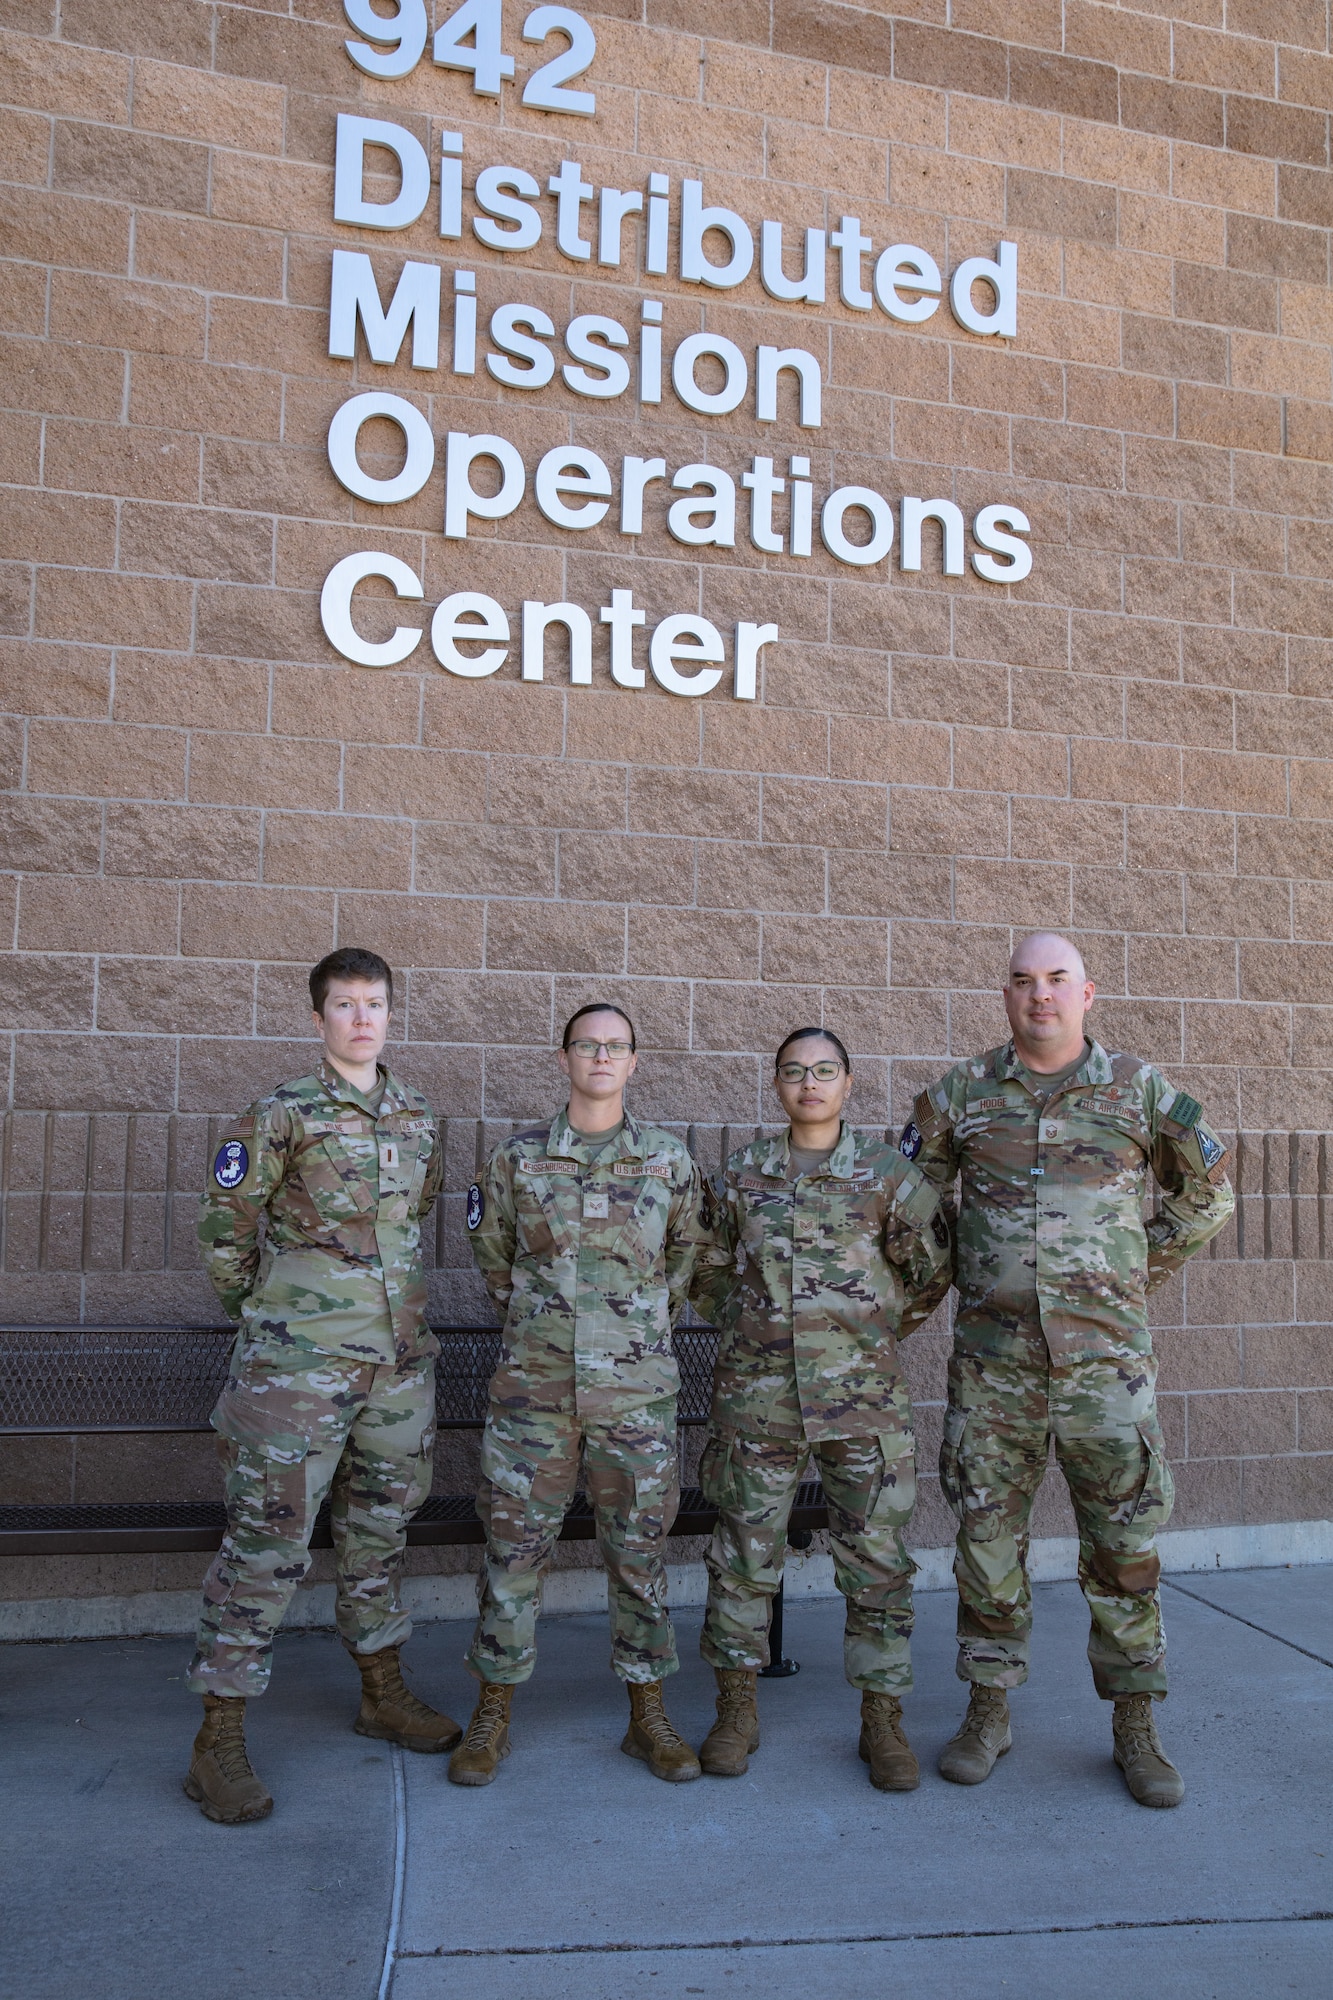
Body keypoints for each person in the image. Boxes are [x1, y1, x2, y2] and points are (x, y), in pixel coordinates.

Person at [906, 931, 1234, 1807]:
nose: (1038, 996)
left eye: (1056, 981)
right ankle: (987, 1711)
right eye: (1021, 982)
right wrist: (952, 1276)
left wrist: (1131, 1273)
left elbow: (1208, 1193)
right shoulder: (961, 1096)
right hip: (993, 1369)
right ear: (1005, 996)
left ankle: (1134, 1723)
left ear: (1088, 994)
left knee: (1123, 1547)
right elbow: (907, 1206)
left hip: (1105, 1373)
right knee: (985, 1542)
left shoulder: (1137, 1089)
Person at [185, 948, 458, 1824]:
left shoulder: (417, 1114)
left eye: (375, 1002)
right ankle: (215, 1740)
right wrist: (271, 1317)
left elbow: (412, 1223)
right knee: (267, 1544)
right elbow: (225, 1228)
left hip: (395, 1369)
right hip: (295, 1373)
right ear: (318, 1020)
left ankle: (381, 1691)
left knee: (379, 1534)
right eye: (345, 1005)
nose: (362, 1018)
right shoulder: (279, 1115)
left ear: (390, 1013)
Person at [453, 1004, 713, 1787]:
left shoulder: (669, 1162)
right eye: (586, 1045)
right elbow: (495, 1264)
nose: (601, 1057)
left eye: (616, 1047)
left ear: (635, 1061)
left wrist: (623, 1339)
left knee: (638, 1557)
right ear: (563, 1058)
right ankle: (491, 1712)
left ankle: (648, 1716)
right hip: (535, 1399)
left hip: (635, 1401)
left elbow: (683, 1266)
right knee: (512, 1556)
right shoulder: (515, 1160)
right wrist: (553, 1335)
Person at [690, 1029, 953, 1791]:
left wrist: (863, 1334)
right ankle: (736, 1711)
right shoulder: (741, 1176)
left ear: (848, 1082)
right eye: (795, 1071)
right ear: (775, 1084)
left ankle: (882, 1722)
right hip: (758, 1398)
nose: (810, 1083)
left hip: (861, 1403)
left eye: (825, 1070)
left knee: (875, 1563)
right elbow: (701, 1266)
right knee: (742, 1558)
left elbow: (929, 1273)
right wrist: (752, 1325)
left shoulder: (887, 1177)